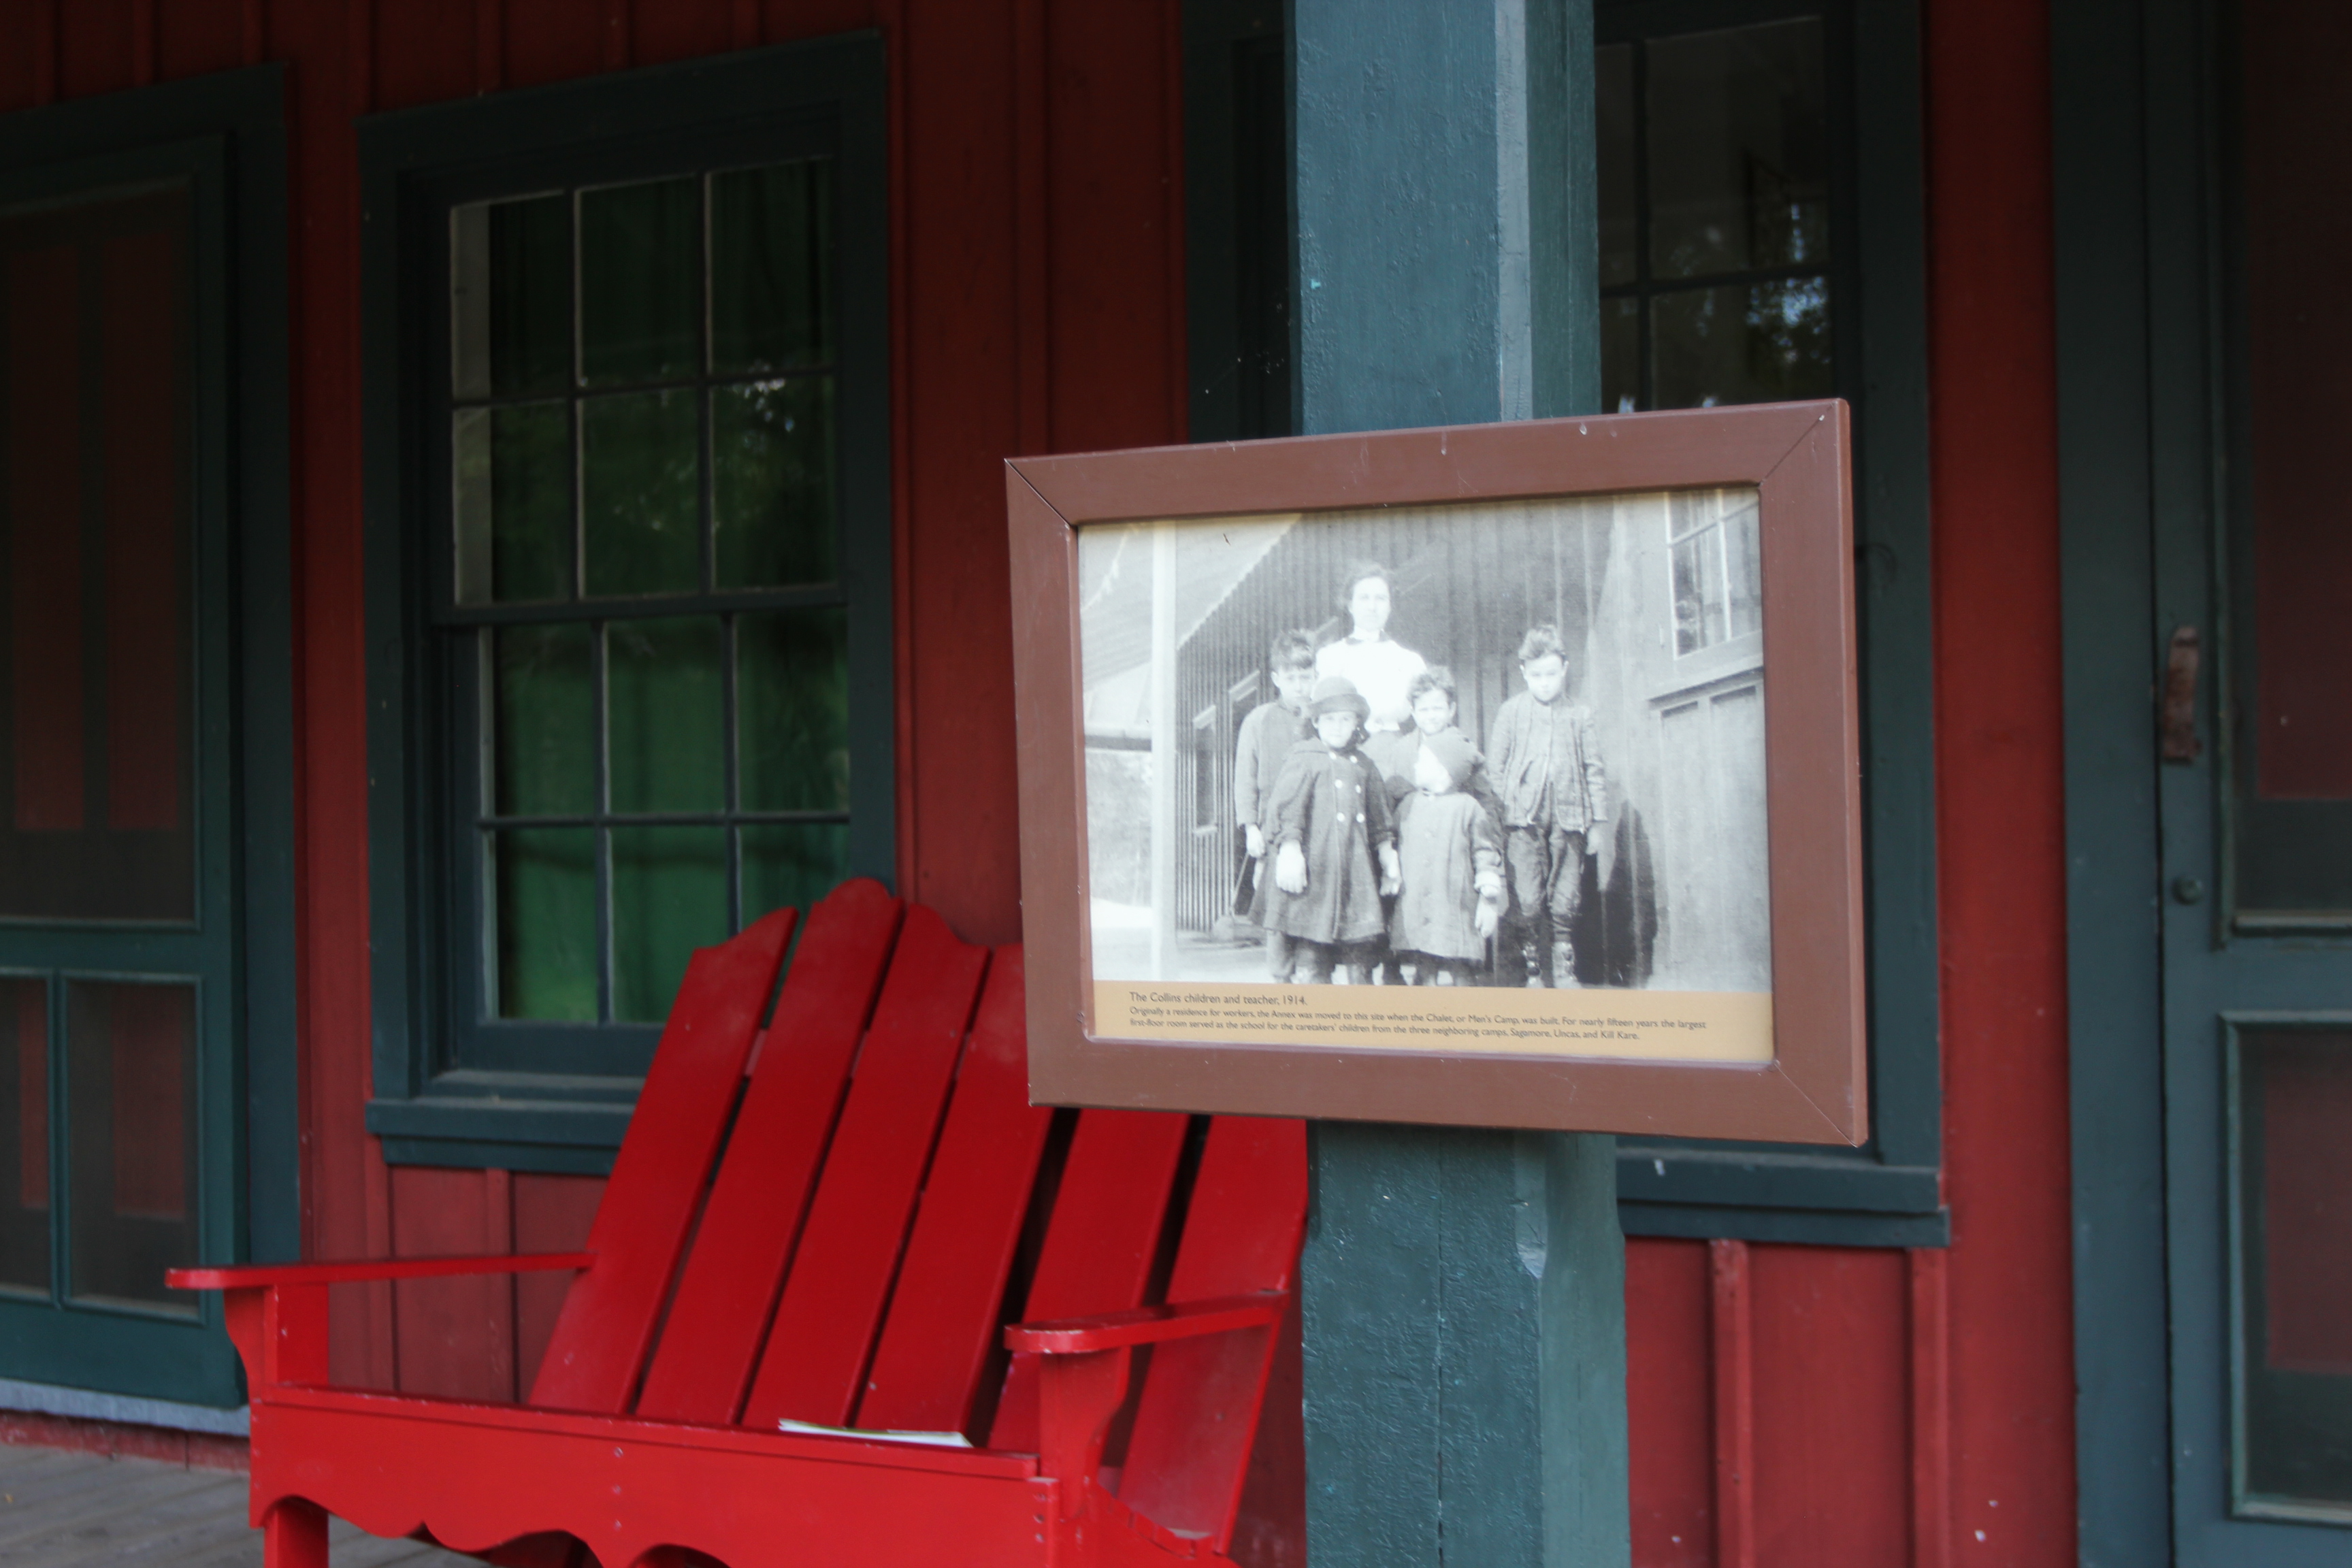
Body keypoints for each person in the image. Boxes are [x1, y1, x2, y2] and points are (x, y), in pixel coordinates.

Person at [1486, 625, 1607, 987]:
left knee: (1566, 895)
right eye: (1536, 675)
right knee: (1526, 896)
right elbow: (1496, 767)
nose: (1544, 683)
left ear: (1565, 670)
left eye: (1551, 674)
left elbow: (1594, 769)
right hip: (1522, 821)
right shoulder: (1511, 713)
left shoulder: (1579, 715)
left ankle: (1565, 970)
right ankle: (1533, 970)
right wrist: (1503, 813)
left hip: (1570, 818)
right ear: (1524, 673)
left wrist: (1598, 822)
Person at [1265, 676, 1400, 984]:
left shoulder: (1364, 765)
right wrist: (1290, 850)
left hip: (1356, 880)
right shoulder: (1304, 758)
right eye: (1329, 719)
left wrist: (1387, 854)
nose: (1337, 727)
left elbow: (1380, 818)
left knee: (1361, 958)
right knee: (1311, 958)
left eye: (1345, 719)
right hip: (1315, 879)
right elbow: (1287, 810)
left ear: (1357, 722)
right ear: (1315, 721)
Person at [1232, 630, 1319, 980]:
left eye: (1306, 677)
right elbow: (1245, 778)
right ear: (1276, 679)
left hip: (1315, 830)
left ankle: (1312, 977)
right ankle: (1281, 982)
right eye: (1291, 678)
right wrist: (1251, 827)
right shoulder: (1259, 720)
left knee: (1313, 904)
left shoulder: (1323, 720)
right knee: (1277, 910)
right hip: (1270, 834)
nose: (1299, 685)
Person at [1389, 729, 1505, 987]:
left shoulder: (1468, 807)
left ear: (1445, 770)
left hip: (1455, 905)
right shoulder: (1408, 804)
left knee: (1461, 970)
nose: (1416, 766)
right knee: (1424, 967)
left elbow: (1484, 849)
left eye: (1424, 761)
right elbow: (1394, 840)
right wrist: (1391, 868)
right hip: (1418, 904)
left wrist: (1488, 890)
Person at [1313, 561, 1427, 781]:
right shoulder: (1330, 657)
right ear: (1350, 604)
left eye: (1381, 599)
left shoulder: (1410, 661)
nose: (1372, 607)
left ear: (1391, 605)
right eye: (1364, 598)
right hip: (1345, 754)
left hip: (1397, 758)